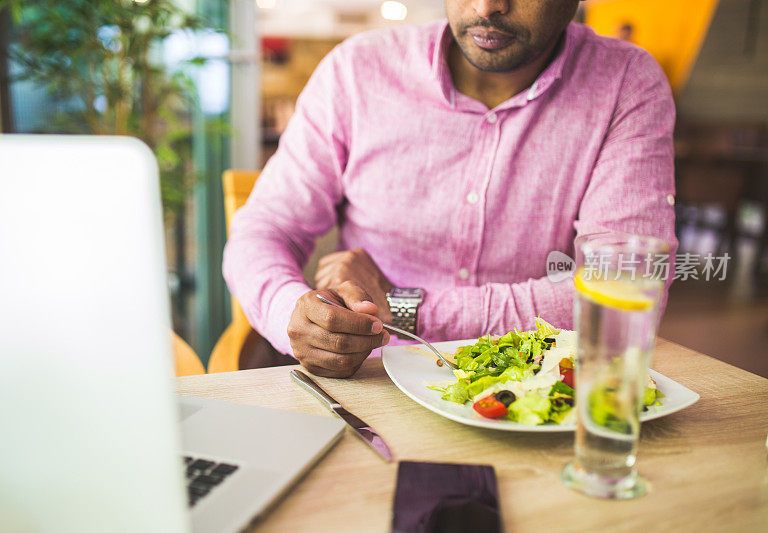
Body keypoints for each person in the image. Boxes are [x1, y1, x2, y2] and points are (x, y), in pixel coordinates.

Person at [223, 0, 677, 377]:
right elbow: (264, 229)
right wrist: (293, 312)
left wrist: (404, 308)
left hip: (538, 390)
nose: (487, 7)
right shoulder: (357, 71)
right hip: (374, 386)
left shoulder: (625, 83)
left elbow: (626, 289)